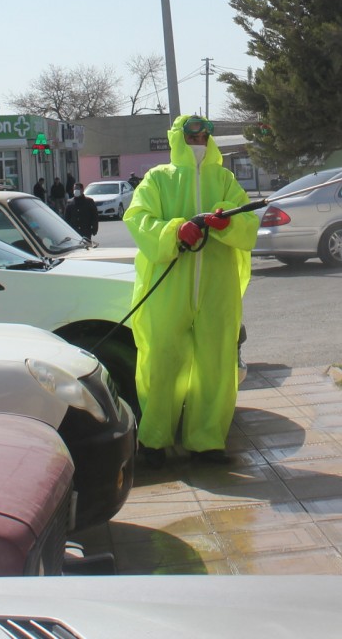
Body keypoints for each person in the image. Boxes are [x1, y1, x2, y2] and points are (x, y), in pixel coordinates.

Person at [124, 114, 259, 468]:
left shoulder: (224, 179)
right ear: (177, 138)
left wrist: (228, 223)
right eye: (191, 133)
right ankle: (153, 442)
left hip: (217, 286)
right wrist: (174, 231)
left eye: (204, 133)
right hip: (169, 287)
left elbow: (248, 224)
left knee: (215, 363)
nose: (199, 138)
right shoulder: (158, 179)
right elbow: (138, 218)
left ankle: (207, 441)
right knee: (162, 359)